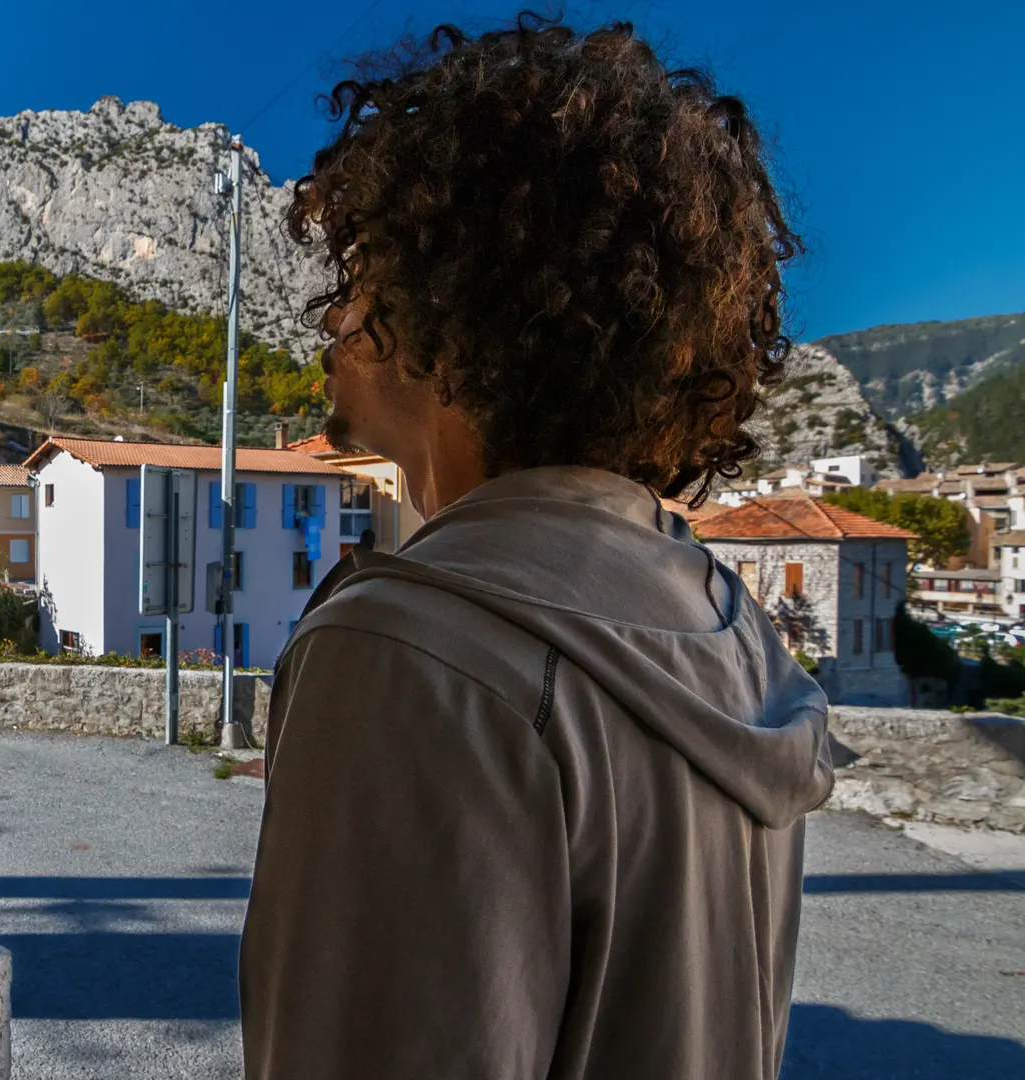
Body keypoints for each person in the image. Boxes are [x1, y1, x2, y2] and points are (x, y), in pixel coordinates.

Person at [240, 15, 831, 1080]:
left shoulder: (413, 651)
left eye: (366, 263)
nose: (330, 311)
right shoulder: (724, 627)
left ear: (452, 307)